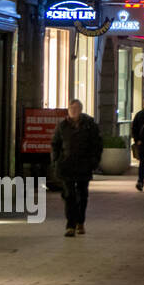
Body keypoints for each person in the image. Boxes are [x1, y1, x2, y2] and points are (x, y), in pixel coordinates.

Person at [51, 99, 103, 237]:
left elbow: (97, 145)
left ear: (81, 109)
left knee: (82, 194)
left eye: (76, 108)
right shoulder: (62, 126)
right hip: (66, 166)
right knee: (69, 195)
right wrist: (56, 160)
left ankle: (80, 221)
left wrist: (94, 161)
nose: (73, 110)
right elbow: (55, 144)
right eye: (71, 108)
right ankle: (70, 225)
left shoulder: (89, 125)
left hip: (84, 165)